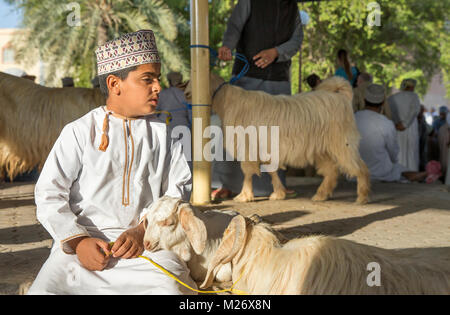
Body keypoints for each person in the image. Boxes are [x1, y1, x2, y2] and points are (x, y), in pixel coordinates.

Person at [28, 30, 196, 295]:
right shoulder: (80, 131)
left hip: (147, 249)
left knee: (171, 287)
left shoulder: (166, 134)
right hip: (80, 254)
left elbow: (178, 191)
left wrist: (143, 230)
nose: (158, 87)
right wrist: (80, 241)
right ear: (115, 85)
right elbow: (49, 193)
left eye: (158, 79)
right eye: (147, 79)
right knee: (46, 291)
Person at [213, 0, 303, 200]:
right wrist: (227, 45)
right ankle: (228, 184)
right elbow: (235, 26)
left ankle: (278, 185)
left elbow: (296, 40)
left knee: (278, 135)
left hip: (278, 81)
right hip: (247, 78)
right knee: (236, 132)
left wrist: (276, 52)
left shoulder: (292, 7)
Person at [355, 84, 426, 182]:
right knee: (398, 169)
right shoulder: (387, 123)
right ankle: (421, 174)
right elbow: (393, 153)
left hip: (353, 172)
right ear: (383, 102)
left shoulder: (352, 119)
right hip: (378, 173)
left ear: (364, 99)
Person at [387, 78, 421, 172]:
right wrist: (405, 124)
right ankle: (410, 175)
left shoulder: (392, 98)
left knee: (398, 152)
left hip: (396, 128)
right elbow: (414, 111)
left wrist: (396, 123)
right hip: (410, 128)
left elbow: (389, 112)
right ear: (412, 87)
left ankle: (396, 174)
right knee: (410, 153)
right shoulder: (414, 97)